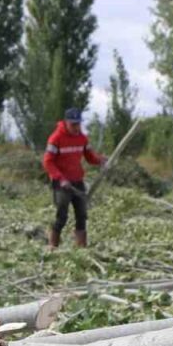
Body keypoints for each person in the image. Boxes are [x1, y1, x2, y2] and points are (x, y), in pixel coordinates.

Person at [41, 106, 103, 249]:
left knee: (82, 215)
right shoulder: (55, 138)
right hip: (61, 184)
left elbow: (90, 157)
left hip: (77, 181)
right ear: (66, 122)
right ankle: (52, 245)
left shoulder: (82, 138)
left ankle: (81, 248)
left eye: (78, 124)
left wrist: (100, 160)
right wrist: (60, 178)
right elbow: (47, 162)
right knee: (62, 216)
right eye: (73, 124)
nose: (76, 127)